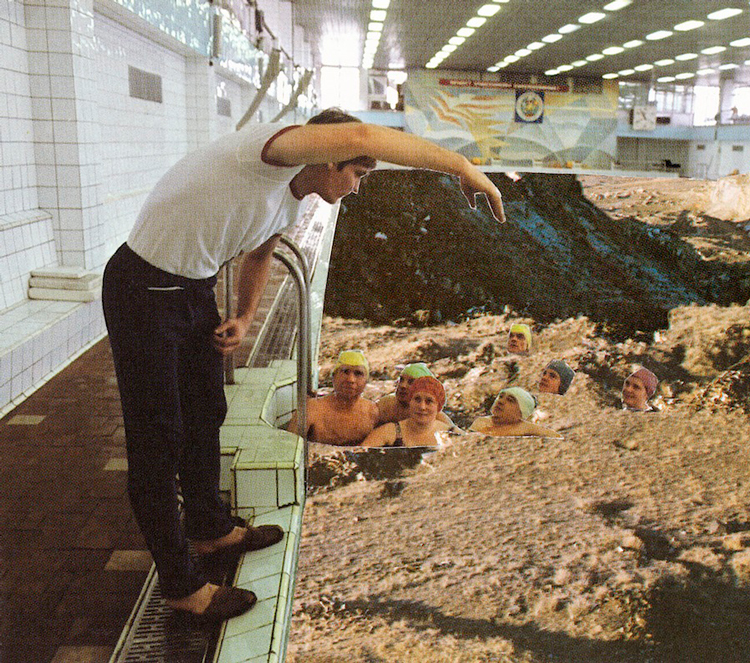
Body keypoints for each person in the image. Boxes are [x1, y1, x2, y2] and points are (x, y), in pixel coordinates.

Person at [102, 108, 504, 622]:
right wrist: (461, 167)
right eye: (358, 173)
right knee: (158, 438)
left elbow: (258, 256)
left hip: (192, 289)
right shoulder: (267, 153)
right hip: (141, 289)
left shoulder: (288, 200)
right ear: (328, 156)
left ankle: (209, 528)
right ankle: (183, 587)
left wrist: (246, 315)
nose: (357, 188)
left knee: (206, 411)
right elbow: (360, 132)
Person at [286, 350, 379, 445]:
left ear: (366, 381)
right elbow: (288, 447)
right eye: (345, 372)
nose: (350, 379)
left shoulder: (372, 412)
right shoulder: (311, 409)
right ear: (333, 377)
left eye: (358, 373)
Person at [363, 376, 454, 447]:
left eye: (429, 401)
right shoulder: (390, 432)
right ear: (410, 402)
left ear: (439, 406)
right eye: (417, 400)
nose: (422, 407)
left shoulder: (451, 434)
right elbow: (358, 454)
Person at [376, 362, 454, 427]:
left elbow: (460, 438)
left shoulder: (436, 417)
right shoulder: (386, 405)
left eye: (411, 382)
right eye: (401, 380)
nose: (403, 385)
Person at [470, 387, 560, 437]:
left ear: (521, 412)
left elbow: (556, 437)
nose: (500, 401)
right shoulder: (481, 422)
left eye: (510, 400)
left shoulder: (527, 430)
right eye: (501, 396)